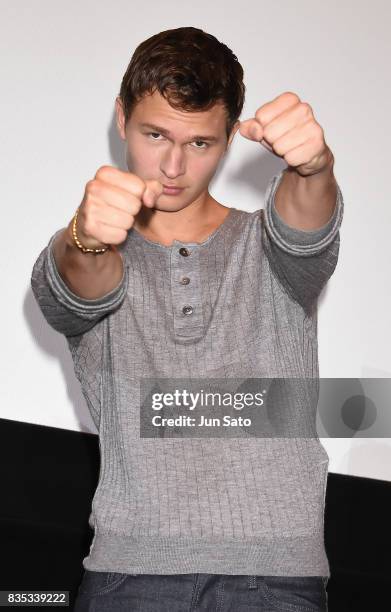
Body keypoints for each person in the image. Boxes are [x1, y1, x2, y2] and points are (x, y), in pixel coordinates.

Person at [31, 26, 343, 612]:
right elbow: (78, 283)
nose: (173, 166)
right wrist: (88, 237)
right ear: (121, 118)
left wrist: (315, 166)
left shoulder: (269, 248)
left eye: (200, 144)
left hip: (275, 577)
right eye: (155, 135)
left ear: (228, 140)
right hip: (129, 573)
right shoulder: (89, 248)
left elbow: (305, 227)